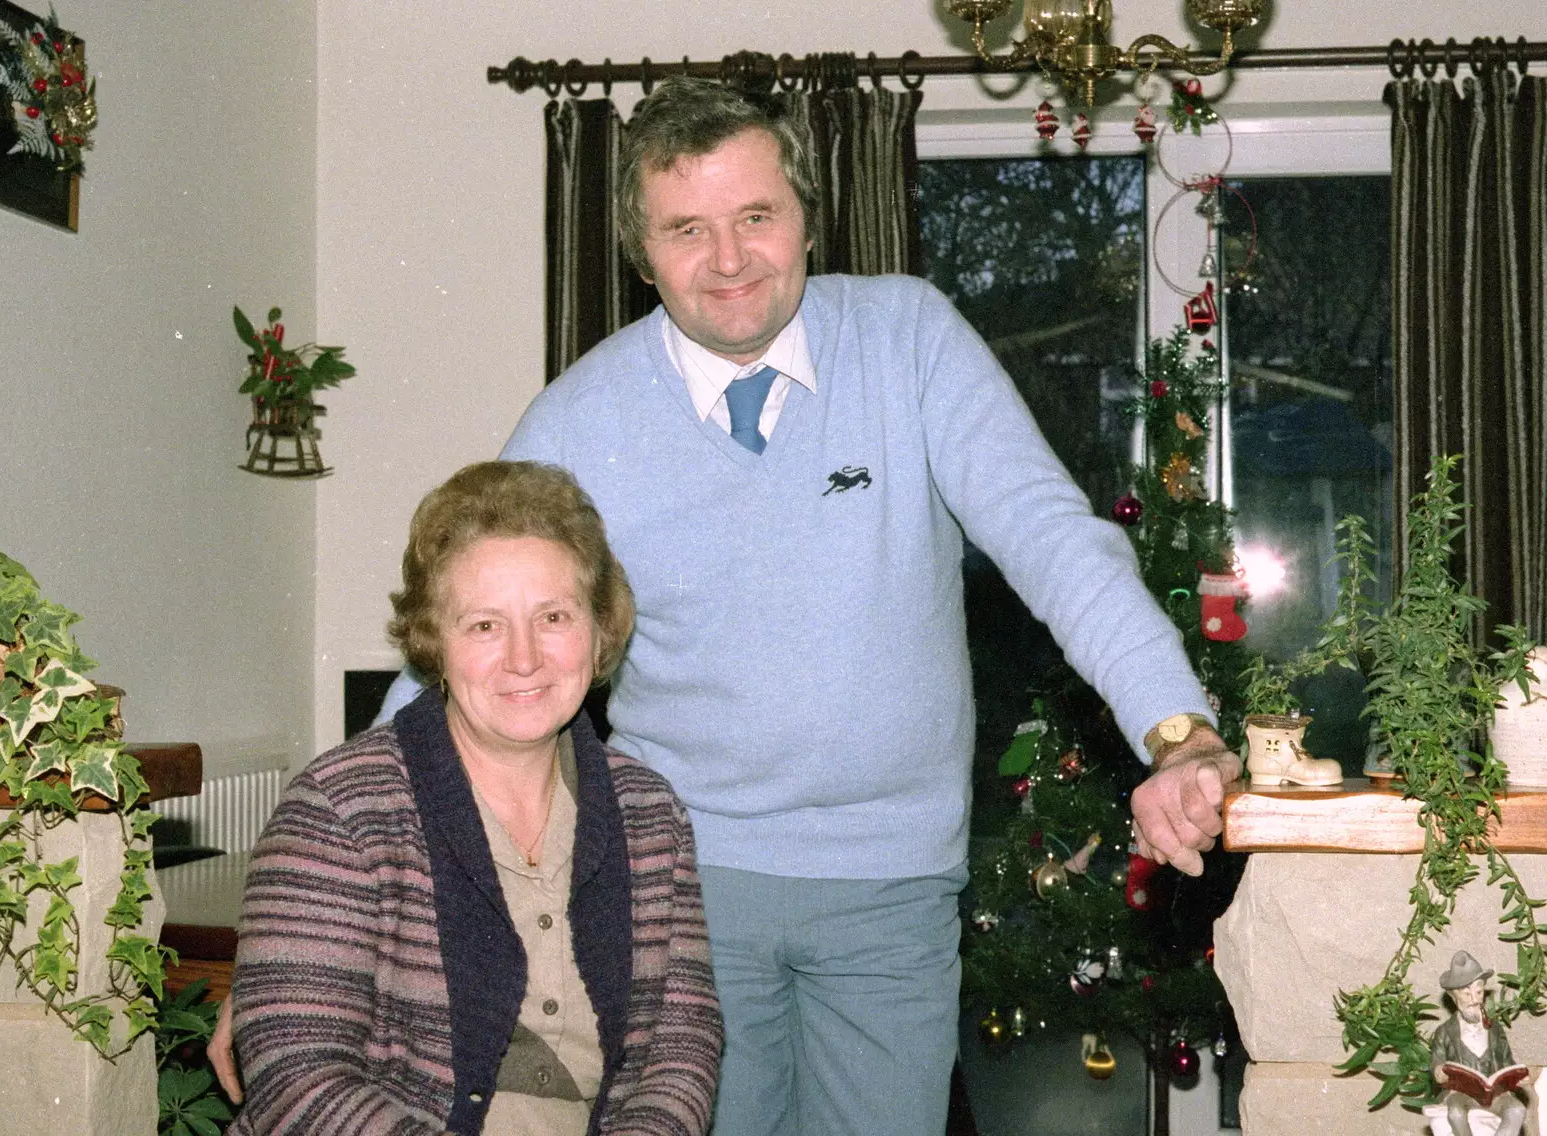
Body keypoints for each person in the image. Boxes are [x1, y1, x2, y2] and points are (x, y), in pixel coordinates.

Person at [320, 78, 1238, 1135]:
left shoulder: (908, 340)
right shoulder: (580, 418)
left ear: (806, 214)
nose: (728, 259)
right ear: (641, 250)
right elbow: (460, 655)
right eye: (686, 229)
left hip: (891, 881)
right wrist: (332, 913)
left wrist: (1176, 734)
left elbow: (1054, 542)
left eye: (756, 216)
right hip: (679, 887)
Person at [221, 461, 722, 1135]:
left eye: (553, 616)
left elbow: (681, 1049)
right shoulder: (339, 808)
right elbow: (300, 1078)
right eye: (485, 625)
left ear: (599, 629)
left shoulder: (650, 813)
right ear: (435, 639)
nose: (524, 658)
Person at [1430, 951, 1527, 1136]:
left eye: (1479, 992)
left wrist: (1517, 1077)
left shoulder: (1495, 1029)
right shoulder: (1445, 1032)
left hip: (1496, 1094)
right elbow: (1437, 1060)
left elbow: (1507, 1061)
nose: (1474, 1000)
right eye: (1467, 994)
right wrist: (1439, 1070)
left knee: (1517, 1110)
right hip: (1461, 1093)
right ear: (1453, 998)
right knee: (1456, 1112)